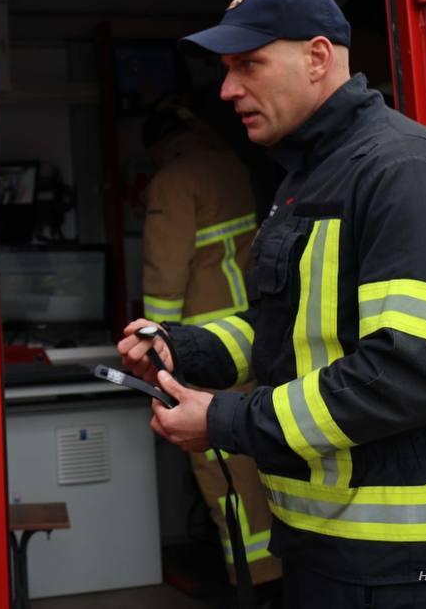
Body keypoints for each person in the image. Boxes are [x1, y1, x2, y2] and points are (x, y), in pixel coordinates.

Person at [118, 0, 426, 608]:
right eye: (225, 69)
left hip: (405, 567)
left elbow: (405, 377)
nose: (227, 90)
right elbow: (285, 325)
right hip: (322, 549)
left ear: (318, 57)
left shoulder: (408, 174)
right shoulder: (312, 175)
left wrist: (224, 420)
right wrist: (182, 348)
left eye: (249, 65)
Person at [139, 102, 282, 590]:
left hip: (203, 350)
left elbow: (164, 273)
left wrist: (154, 346)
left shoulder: (173, 182)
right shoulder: (231, 166)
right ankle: (275, 573)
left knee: (222, 474)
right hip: (251, 336)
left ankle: (253, 577)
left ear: (159, 148)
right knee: (256, 457)